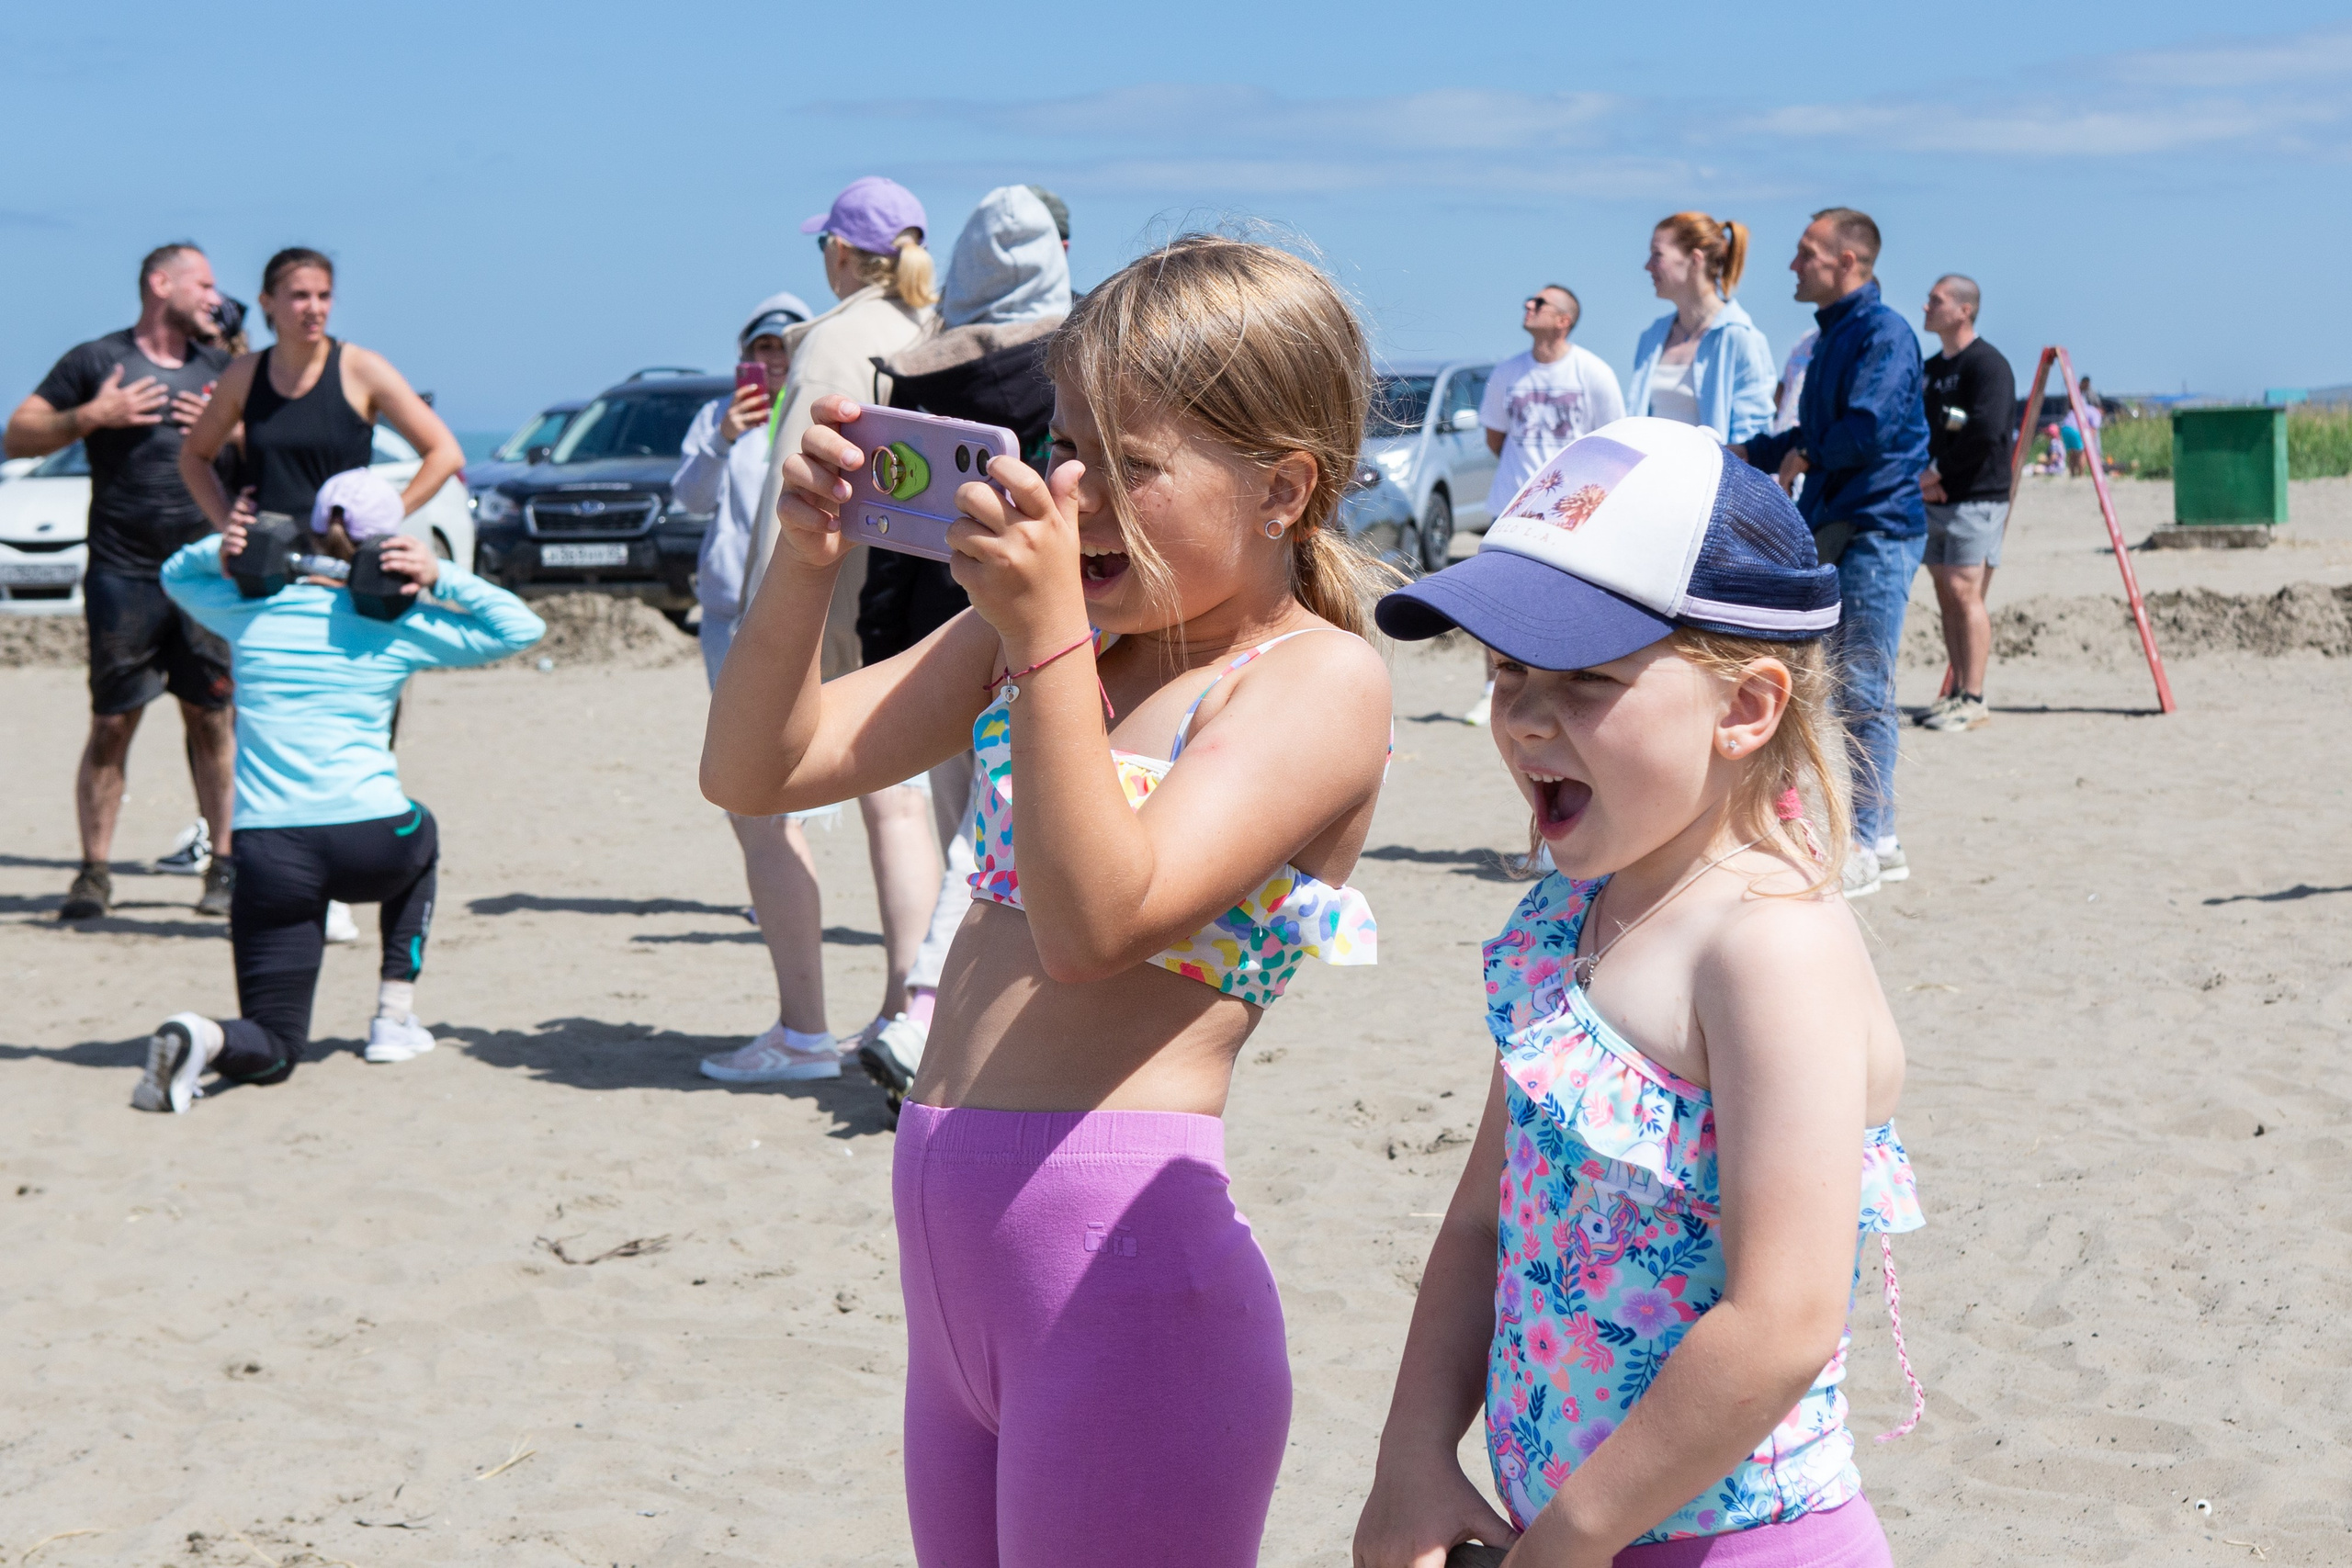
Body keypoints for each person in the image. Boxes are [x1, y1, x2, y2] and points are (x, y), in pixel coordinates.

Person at [705, 235, 1393, 1566]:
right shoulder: (1075, 635)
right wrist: (803, 558)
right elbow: (758, 766)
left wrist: (1043, 642)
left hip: (1126, 1291)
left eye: (1129, 464)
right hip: (961, 1292)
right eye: (1066, 443)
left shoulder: (1312, 682)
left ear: (1281, 489)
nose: (1072, 491)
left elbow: (1098, 925)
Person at [1357, 417, 1922, 1568]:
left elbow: (1780, 1322)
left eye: (1585, 681)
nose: (1521, 717)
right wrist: (1412, 1458)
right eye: (1506, 670)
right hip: (1555, 1533)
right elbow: (1482, 1220)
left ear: (1745, 707)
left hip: (1735, 1543)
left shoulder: (1768, 950)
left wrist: (1566, 1543)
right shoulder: (1574, 911)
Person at [133, 468, 545, 1113]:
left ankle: (204, 1036)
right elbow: (520, 630)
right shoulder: (398, 623)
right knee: (423, 830)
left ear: (315, 526)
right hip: (372, 843)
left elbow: (174, 576)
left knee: (275, 1043)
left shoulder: (250, 610)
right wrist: (440, 575)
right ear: (390, 543)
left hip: (270, 853)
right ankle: (393, 1018)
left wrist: (220, 546)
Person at [713, 176, 945, 1083]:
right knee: (907, 802)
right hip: (931, 596)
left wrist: (772, 634)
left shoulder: (835, 344)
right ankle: (906, 1004)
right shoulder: (935, 327)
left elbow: (791, 502)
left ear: (843, 256)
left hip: (846, 600)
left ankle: (808, 1028)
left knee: (860, 797)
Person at [856, 184, 1074, 1112]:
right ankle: (923, 1019)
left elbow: (890, 527)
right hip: (1035, 627)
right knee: (991, 837)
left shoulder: (917, 373)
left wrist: (876, 641)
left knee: (970, 828)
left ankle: (933, 1022)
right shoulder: (1072, 367)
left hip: (929, 634)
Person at [175, 246, 467, 919]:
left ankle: (338, 878)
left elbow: (444, 451)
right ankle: (298, 874)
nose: (313, 308)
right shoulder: (246, 374)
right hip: (271, 582)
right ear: (270, 303)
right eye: (299, 295)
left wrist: (387, 517)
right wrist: (229, 525)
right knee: (276, 723)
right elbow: (194, 456)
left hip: (351, 575)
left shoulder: (358, 367)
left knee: (362, 720)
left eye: (324, 295)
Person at [5, 243, 237, 921]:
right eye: (204, 282)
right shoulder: (94, 361)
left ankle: (223, 865)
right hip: (121, 571)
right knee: (111, 723)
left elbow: (267, 449)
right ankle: (93, 873)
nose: (214, 295)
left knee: (213, 717)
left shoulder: (221, 368)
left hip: (201, 574)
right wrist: (89, 418)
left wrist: (229, 429)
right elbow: (18, 435)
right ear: (161, 284)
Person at [670, 291, 846, 1082]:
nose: (772, 362)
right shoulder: (721, 418)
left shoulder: (820, 414)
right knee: (748, 788)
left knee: (766, 798)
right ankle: (776, 889)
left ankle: (804, 1023)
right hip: (723, 620)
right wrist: (722, 436)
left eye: (784, 349)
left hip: (790, 618)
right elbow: (688, 500)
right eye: (761, 349)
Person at [1733, 209, 1928, 897]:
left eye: (1806, 252)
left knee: (1864, 689)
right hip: (1832, 524)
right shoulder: (1831, 337)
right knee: (1817, 686)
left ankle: (1875, 840)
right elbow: (1803, 434)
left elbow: (1865, 430)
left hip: (1876, 528)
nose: (1793, 265)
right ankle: (1862, 833)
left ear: (1849, 261)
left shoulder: (1884, 333)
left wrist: (1804, 452)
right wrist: (1739, 452)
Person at [1463, 284, 1623, 725]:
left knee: (1564, 602)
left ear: (1562, 319)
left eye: (1539, 303)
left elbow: (1610, 444)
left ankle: (1563, 683)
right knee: (1496, 598)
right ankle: (1493, 687)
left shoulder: (1593, 373)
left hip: (1572, 515)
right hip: (1510, 505)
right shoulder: (1508, 373)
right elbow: (1497, 437)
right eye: (1528, 301)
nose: (1527, 306)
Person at [1917, 274, 2016, 734]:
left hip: (1976, 498)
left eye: (1935, 301)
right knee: (1945, 593)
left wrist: (1942, 472)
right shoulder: (1934, 369)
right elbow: (1938, 426)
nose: (1925, 307)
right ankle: (1955, 692)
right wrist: (1925, 477)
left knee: (1965, 590)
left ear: (1964, 310)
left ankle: (1974, 696)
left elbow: (1985, 428)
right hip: (1935, 497)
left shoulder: (1988, 364)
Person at [1623, 214, 1776, 444]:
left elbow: (1752, 434)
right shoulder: (1652, 337)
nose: (1647, 266)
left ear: (1695, 259)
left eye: (1657, 255)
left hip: (1711, 478)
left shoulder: (1739, 337)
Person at [2060, 374, 2102, 477]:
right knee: (2082, 451)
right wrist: (2088, 441)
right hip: (2075, 428)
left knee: (2073, 452)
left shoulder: (2082, 406)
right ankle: (2081, 474)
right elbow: (2093, 430)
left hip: (2064, 428)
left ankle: (2072, 473)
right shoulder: (2096, 414)